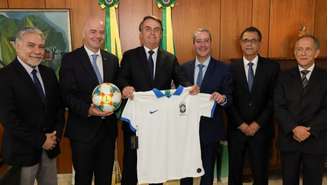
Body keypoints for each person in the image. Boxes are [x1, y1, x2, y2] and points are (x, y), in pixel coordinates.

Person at [117, 15, 198, 185]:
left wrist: (191, 88)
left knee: (157, 165)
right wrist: (125, 88)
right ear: (141, 33)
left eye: (156, 30)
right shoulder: (130, 56)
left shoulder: (170, 58)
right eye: (148, 29)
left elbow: (182, 80)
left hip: (160, 125)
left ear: (161, 34)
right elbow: (121, 79)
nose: (152, 33)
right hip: (136, 125)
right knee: (132, 161)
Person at [0, 27, 64, 185]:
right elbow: (9, 119)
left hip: (50, 149)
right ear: (17, 46)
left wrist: (54, 138)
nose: (38, 51)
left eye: (41, 46)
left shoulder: (48, 74)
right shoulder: (4, 77)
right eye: (31, 45)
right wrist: (41, 139)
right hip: (21, 153)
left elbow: (58, 108)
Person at [59, 17, 119, 185]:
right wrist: (89, 110)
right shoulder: (70, 59)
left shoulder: (112, 59)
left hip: (107, 132)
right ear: (84, 34)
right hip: (82, 131)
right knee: (83, 179)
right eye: (93, 31)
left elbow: (116, 90)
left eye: (101, 32)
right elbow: (66, 94)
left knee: (105, 178)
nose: (97, 36)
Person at [227, 26, 280, 185]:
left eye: (253, 40)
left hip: (262, 130)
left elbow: (273, 99)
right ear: (240, 43)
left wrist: (257, 124)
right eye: (245, 40)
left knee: (261, 173)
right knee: (235, 174)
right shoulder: (230, 68)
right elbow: (228, 99)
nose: (249, 44)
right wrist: (241, 124)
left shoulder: (272, 67)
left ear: (259, 44)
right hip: (237, 130)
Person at [180, 28, 232, 185]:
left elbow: (229, 98)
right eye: (198, 41)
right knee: (186, 172)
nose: (202, 45)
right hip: (186, 129)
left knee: (207, 172)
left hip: (211, 129)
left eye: (206, 41)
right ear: (193, 44)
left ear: (211, 43)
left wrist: (222, 99)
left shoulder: (224, 68)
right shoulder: (183, 68)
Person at [274, 35, 326, 185]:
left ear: (316, 53)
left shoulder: (325, 77)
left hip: (316, 140)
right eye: (299, 49)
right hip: (290, 139)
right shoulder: (282, 77)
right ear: (294, 53)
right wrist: (294, 128)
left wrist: (309, 130)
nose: (303, 53)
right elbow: (279, 106)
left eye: (308, 49)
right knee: (289, 181)